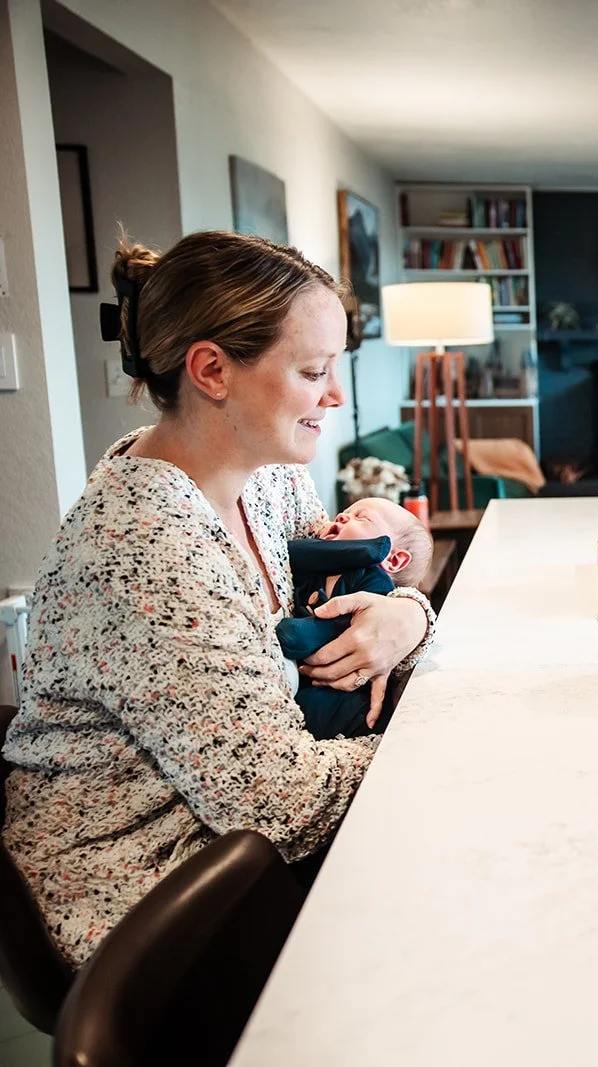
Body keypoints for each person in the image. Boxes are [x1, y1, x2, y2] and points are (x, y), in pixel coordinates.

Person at [2, 230, 436, 967]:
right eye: (313, 371)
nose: (333, 394)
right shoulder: (144, 547)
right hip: (143, 895)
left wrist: (407, 612)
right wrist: (437, 744)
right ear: (211, 369)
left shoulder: (268, 478)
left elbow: (360, 596)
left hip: (227, 839)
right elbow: (279, 805)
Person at [277, 497, 434, 740]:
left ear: (393, 559)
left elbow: (336, 626)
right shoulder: (322, 573)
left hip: (351, 696)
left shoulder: (372, 583)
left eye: (361, 517)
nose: (340, 517)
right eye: (343, 512)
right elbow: (288, 553)